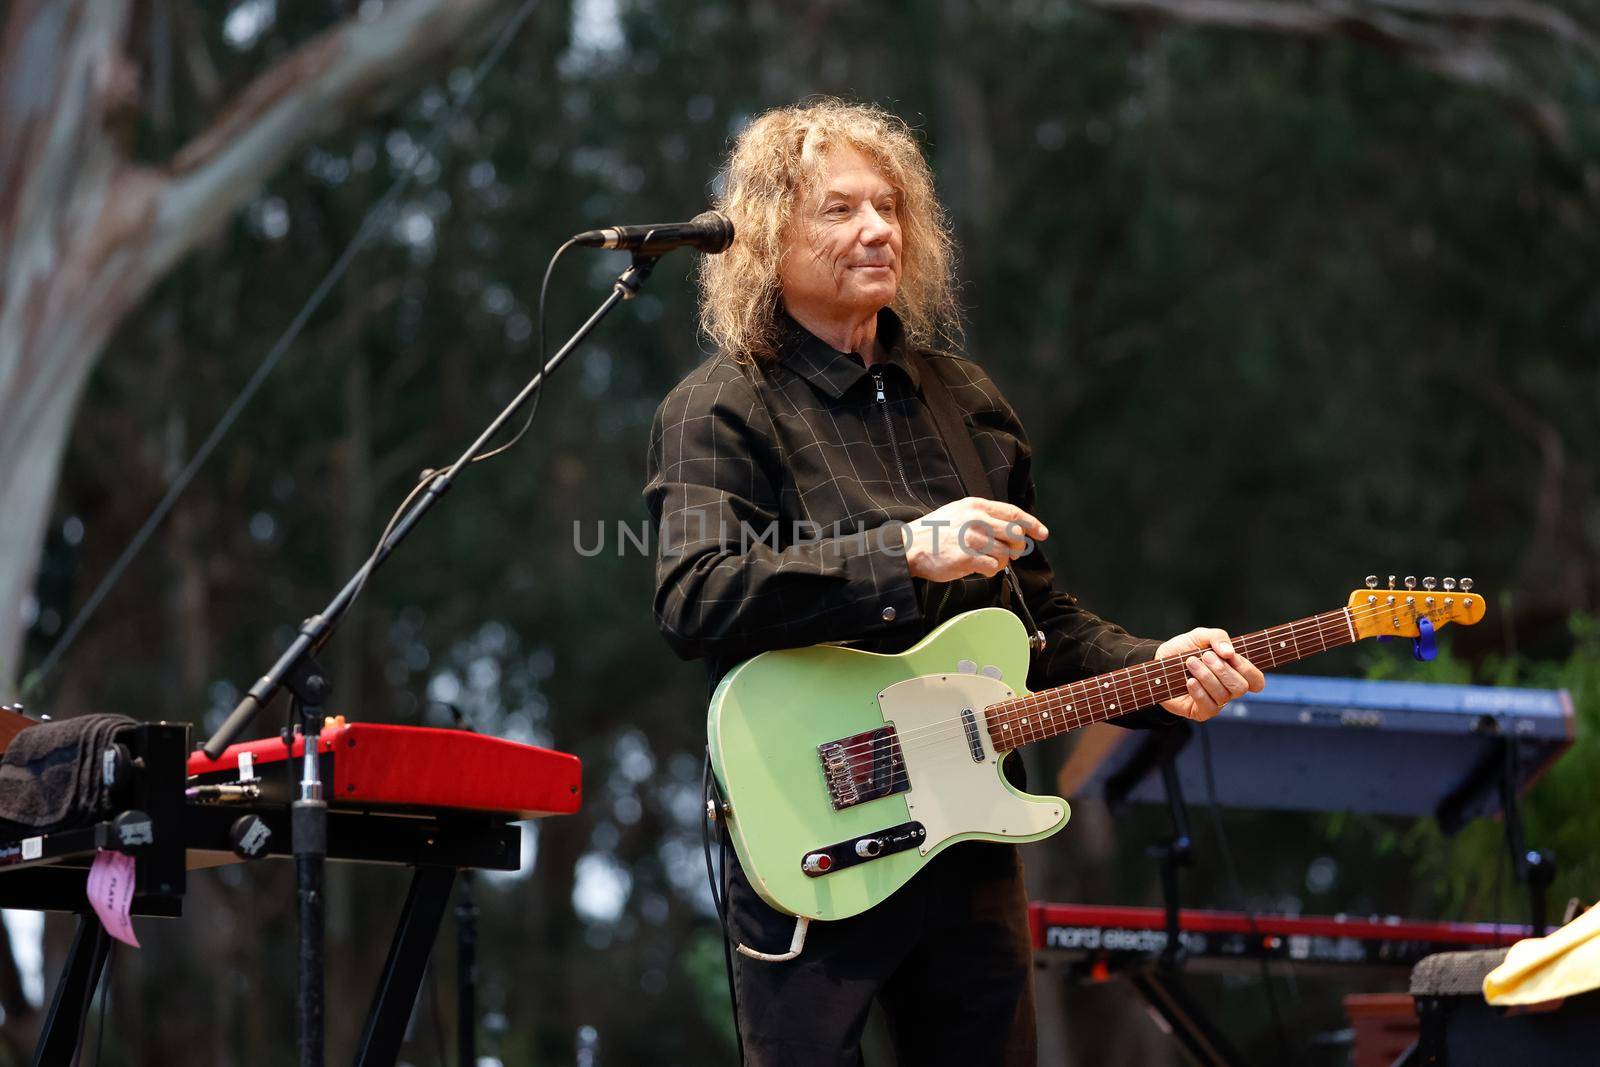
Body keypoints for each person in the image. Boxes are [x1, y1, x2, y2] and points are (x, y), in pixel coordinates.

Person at [644, 98, 1265, 1066]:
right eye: (838, 209)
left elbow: (1036, 624)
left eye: (889, 205)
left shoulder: (965, 398)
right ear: (765, 235)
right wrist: (900, 552)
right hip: (816, 817)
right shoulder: (719, 405)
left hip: (969, 835)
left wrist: (1158, 668)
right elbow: (696, 594)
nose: (877, 229)